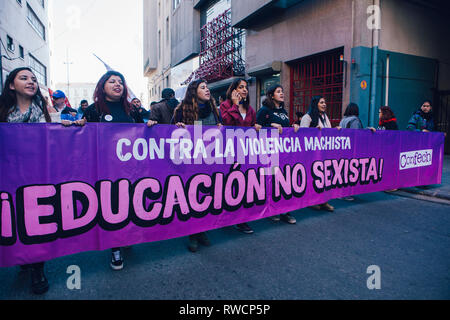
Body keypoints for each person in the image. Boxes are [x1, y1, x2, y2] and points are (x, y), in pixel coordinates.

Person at [0, 67, 54, 294]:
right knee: (12, 220)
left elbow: (54, 139)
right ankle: (21, 257)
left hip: (36, 176)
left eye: (33, 79)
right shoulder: (3, 112)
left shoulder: (44, 112)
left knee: (35, 222)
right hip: (8, 176)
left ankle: (37, 268)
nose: (31, 82)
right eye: (24, 78)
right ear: (11, 85)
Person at [82, 71, 137, 270]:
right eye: (112, 81)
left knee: (130, 205)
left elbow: (144, 132)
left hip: (130, 169)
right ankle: (115, 248)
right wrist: (77, 126)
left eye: (121, 82)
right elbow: (82, 137)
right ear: (102, 86)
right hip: (105, 170)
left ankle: (127, 236)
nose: (117, 84)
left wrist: (151, 124)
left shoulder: (131, 109)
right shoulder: (94, 110)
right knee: (113, 209)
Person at [173, 79, 222, 252]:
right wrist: (177, 128)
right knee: (193, 198)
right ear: (194, 92)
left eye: (207, 87)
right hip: (191, 163)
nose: (207, 90)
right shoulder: (181, 110)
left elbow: (220, 132)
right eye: (203, 88)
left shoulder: (214, 110)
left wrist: (220, 127)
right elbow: (171, 135)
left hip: (210, 162)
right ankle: (193, 233)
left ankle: (202, 230)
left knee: (207, 197)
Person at [256, 84, 299, 224]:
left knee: (285, 181)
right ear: (271, 95)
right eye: (278, 91)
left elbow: (285, 129)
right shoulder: (264, 111)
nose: (282, 93)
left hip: (284, 152)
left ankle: (285, 211)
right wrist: (270, 127)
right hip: (270, 152)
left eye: (283, 91)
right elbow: (256, 129)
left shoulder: (284, 112)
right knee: (272, 182)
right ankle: (271, 209)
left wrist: (293, 127)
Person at [220, 78, 257, 234]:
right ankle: (226, 216)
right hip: (228, 152)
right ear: (233, 89)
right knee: (229, 184)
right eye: (241, 87)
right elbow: (226, 123)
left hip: (245, 152)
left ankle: (241, 219)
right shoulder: (224, 106)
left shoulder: (250, 110)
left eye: (246, 87)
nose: (244, 90)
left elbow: (253, 126)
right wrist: (234, 105)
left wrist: (256, 126)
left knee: (243, 185)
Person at [300, 96, 335, 212]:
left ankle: (324, 201)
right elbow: (302, 135)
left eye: (325, 102)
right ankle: (312, 201)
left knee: (324, 177)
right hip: (312, 154)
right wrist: (313, 130)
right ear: (316, 104)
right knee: (313, 178)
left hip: (324, 153)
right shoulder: (307, 117)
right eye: (322, 102)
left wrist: (337, 130)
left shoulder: (325, 117)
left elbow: (328, 132)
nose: (324, 104)